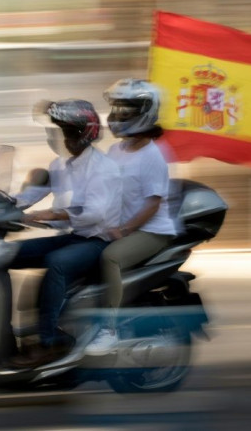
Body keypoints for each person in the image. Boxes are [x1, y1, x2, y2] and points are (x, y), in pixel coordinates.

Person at [4, 99, 122, 368]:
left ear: (81, 134)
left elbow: (96, 213)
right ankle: (4, 336)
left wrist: (52, 215)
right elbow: (30, 196)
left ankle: (49, 342)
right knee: (5, 255)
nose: (53, 137)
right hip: (74, 236)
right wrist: (3, 204)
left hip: (98, 241)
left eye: (61, 132)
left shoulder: (103, 169)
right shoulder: (60, 165)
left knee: (56, 263)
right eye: (53, 131)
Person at [85, 78, 178, 356]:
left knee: (111, 257)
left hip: (152, 231)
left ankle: (109, 330)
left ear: (144, 113)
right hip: (123, 226)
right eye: (116, 109)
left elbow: (152, 204)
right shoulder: (117, 150)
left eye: (125, 110)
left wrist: (124, 230)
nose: (116, 117)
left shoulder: (154, 156)